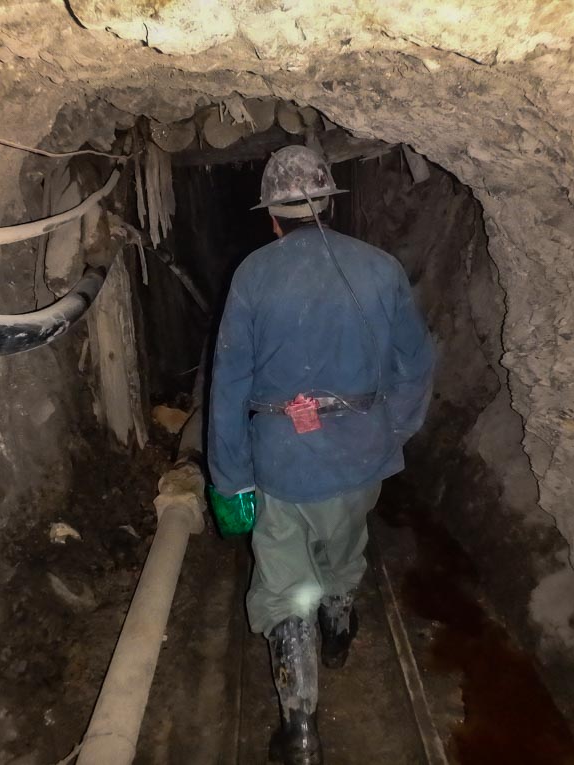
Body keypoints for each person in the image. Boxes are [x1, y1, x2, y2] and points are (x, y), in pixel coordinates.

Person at [207, 145, 434, 765]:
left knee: (285, 584)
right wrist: (396, 431)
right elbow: (416, 362)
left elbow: (227, 382)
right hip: (363, 449)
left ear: (272, 216)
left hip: (282, 454)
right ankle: (339, 626)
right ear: (330, 201)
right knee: (345, 541)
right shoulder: (382, 269)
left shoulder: (254, 274)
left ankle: (301, 729)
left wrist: (229, 477)